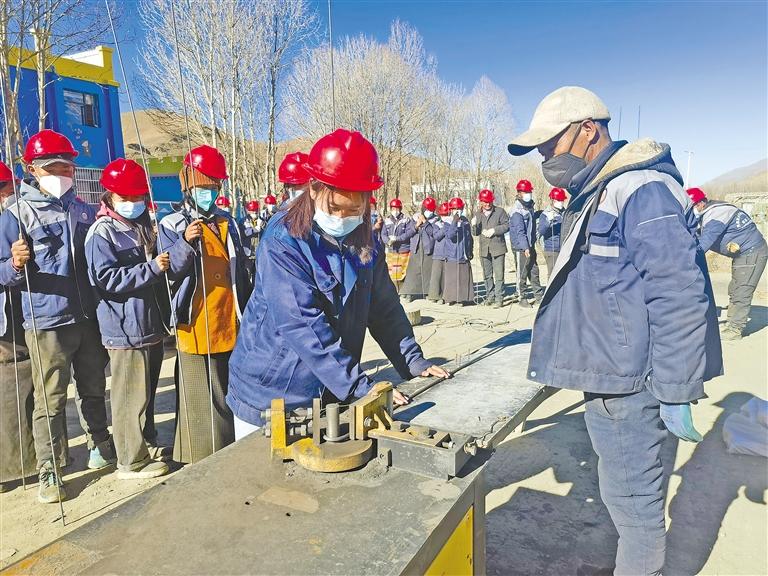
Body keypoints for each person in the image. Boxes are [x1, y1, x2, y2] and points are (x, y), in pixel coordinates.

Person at [507, 86, 722, 575]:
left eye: (550, 144)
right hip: (612, 372)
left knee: (635, 508)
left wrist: (676, 387)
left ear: (588, 130)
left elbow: (678, 290)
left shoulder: (639, 188)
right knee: (626, 497)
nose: (544, 157)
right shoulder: (600, 189)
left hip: (632, 383)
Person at [226, 129, 449, 439]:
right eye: (334, 209)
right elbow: (303, 324)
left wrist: (412, 360)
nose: (343, 218)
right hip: (272, 393)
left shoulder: (366, 239)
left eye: (354, 210)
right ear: (313, 189)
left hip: (331, 390)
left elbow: (383, 307)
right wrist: (359, 386)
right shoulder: (283, 241)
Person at [0, 130, 115, 504]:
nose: (61, 173)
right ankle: (50, 467)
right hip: (46, 323)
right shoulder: (16, 215)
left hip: (87, 317)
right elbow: (1, 272)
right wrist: (14, 265)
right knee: (50, 399)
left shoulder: (84, 210)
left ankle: (100, 443)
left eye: (66, 166)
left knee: (93, 386)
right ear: (33, 170)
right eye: (52, 167)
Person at [158, 144, 251, 463]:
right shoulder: (171, 224)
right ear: (186, 185)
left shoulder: (229, 223)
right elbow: (170, 271)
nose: (208, 193)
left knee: (227, 393)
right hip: (195, 322)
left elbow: (242, 271)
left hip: (229, 321)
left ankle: (228, 452)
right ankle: (198, 459)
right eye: (202, 186)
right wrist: (185, 242)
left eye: (213, 186)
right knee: (199, 398)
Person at [84, 159, 171, 479]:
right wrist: (152, 268)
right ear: (110, 196)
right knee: (128, 398)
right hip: (123, 328)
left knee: (145, 395)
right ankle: (130, 461)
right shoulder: (102, 232)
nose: (133, 202)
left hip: (148, 325)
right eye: (126, 197)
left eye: (138, 197)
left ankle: (146, 444)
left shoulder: (141, 225)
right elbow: (106, 278)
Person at [687, 187, 767, 340]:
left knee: (741, 290)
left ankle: (735, 330)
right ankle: (732, 323)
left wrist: (685, 261)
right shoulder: (707, 213)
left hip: (752, 252)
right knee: (735, 289)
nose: (692, 211)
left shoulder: (716, 215)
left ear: (702, 203)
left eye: (693, 207)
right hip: (744, 253)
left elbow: (703, 244)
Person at [0, 161, 36, 493]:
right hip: (6, 329)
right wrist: (12, 265)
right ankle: (13, 468)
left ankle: (25, 461)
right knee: (12, 389)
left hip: (16, 314)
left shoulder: (11, 221)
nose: (11, 196)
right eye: (8, 191)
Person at [471, 189, 509, 308]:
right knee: (487, 275)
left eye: (489, 201)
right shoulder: (478, 214)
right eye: (484, 202)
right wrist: (474, 225)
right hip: (484, 249)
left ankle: (499, 298)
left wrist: (494, 230)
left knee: (499, 275)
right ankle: (490, 296)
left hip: (498, 248)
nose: (487, 204)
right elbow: (475, 233)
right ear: (481, 202)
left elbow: (507, 225)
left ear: (492, 201)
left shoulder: (500, 212)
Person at [509, 179, 543, 307]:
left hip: (530, 245)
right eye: (526, 192)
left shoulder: (528, 207)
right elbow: (520, 232)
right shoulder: (517, 211)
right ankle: (522, 298)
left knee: (534, 271)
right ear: (519, 193)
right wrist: (525, 247)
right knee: (522, 273)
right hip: (521, 247)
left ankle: (539, 296)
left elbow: (531, 221)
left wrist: (541, 213)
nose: (528, 194)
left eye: (529, 191)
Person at [400, 197, 438, 302]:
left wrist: (425, 222)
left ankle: (428, 292)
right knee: (413, 272)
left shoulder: (436, 219)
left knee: (427, 271)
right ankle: (410, 293)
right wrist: (417, 225)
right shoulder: (414, 218)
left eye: (431, 210)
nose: (429, 212)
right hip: (416, 247)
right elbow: (409, 232)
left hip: (428, 248)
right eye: (427, 209)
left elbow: (433, 233)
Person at [443, 197, 474, 306]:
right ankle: (452, 299)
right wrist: (454, 222)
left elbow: (469, 237)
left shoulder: (465, 221)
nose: (457, 211)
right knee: (453, 278)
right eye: (455, 209)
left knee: (464, 277)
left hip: (463, 253)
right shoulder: (447, 222)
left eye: (459, 208)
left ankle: (464, 298)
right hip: (453, 254)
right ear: (451, 210)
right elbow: (451, 235)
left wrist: (470, 250)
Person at [381, 198, 413, 291]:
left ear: (400, 209)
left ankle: (403, 290)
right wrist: (388, 241)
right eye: (393, 209)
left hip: (403, 250)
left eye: (397, 209)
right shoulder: (387, 220)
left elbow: (409, 233)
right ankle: (394, 291)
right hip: (392, 250)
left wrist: (397, 238)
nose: (395, 211)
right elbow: (383, 234)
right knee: (392, 272)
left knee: (403, 271)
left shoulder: (406, 220)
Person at [538, 187, 567, 276]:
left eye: (562, 200)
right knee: (552, 275)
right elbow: (541, 231)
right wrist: (548, 221)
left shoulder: (564, 213)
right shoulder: (545, 214)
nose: (561, 202)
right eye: (559, 200)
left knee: (562, 274)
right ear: (553, 200)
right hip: (551, 249)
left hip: (563, 248)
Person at [427, 202, 451, 303]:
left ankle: (444, 297)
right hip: (438, 253)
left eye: (446, 215)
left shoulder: (453, 223)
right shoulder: (436, 224)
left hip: (449, 253)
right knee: (436, 276)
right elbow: (436, 236)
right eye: (443, 215)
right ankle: (434, 296)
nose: (445, 217)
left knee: (446, 277)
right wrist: (445, 227)